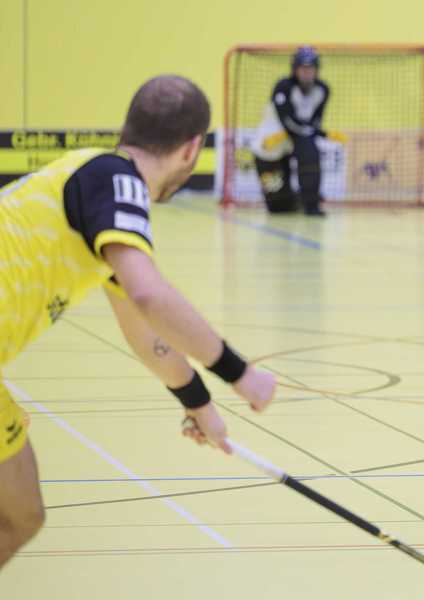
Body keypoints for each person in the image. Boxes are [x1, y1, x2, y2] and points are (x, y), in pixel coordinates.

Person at [0, 75, 277, 569]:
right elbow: (149, 294)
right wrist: (240, 374)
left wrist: (201, 406)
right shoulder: (117, 181)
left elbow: (149, 338)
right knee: (18, 516)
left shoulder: (94, 185)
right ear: (192, 148)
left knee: (20, 513)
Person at [251, 46, 346, 216]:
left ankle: (311, 201)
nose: (306, 73)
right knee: (279, 207)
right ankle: (296, 198)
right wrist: (313, 131)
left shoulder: (323, 90)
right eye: (302, 69)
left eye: (310, 69)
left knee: (310, 150)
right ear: (295, 69)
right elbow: (288, 121)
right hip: (272, 146)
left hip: (297, 138)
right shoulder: (283, 87)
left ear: (316, 70)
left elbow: (316, 120)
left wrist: (316, 132)